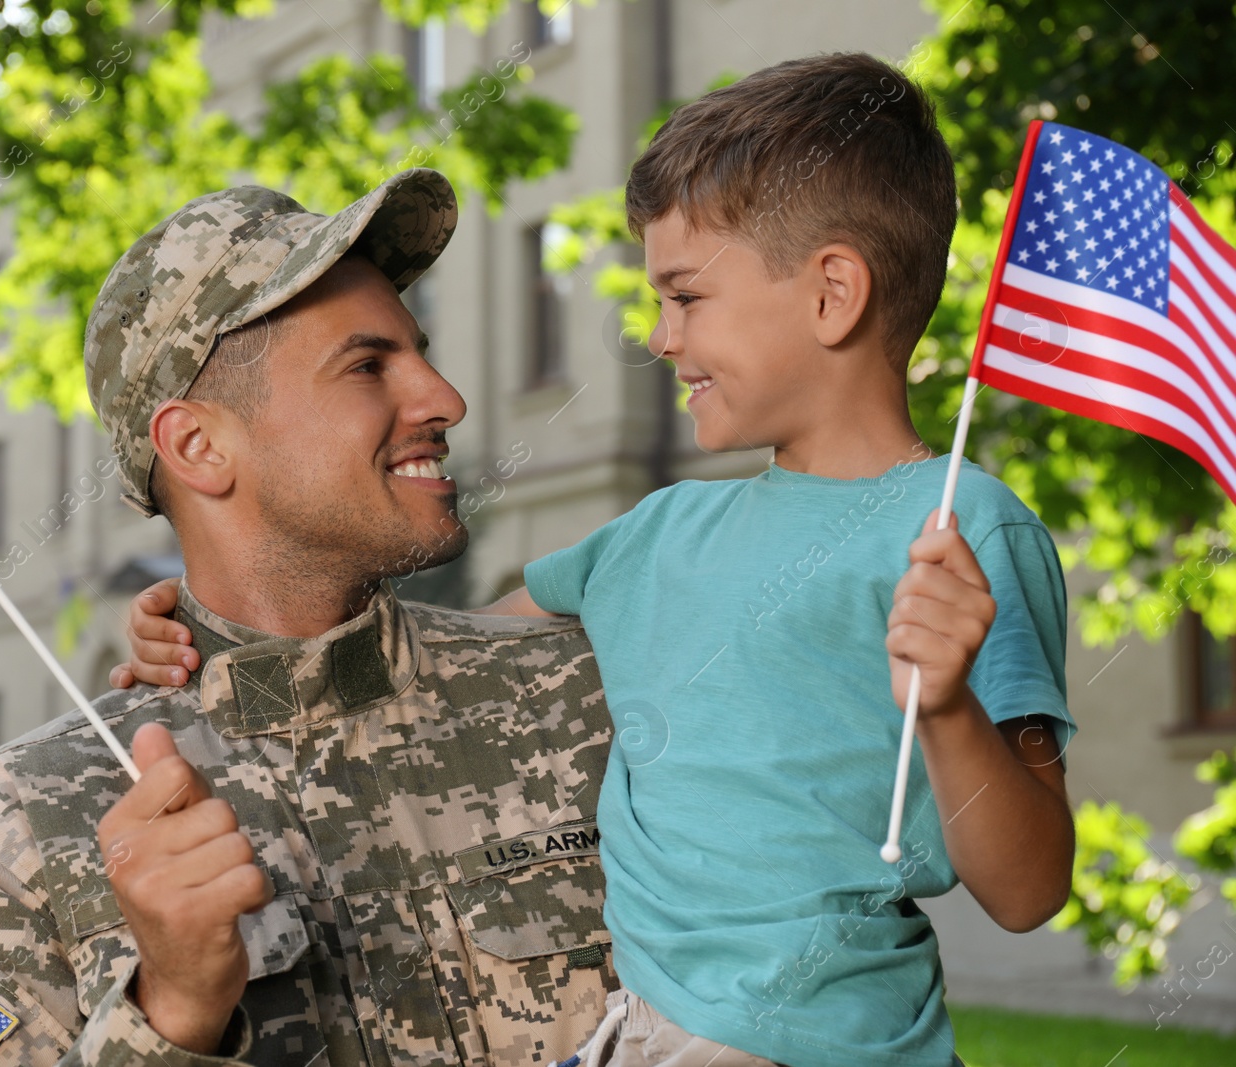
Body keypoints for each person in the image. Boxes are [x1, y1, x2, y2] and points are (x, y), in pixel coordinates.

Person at [117, 54, 1078, 1067]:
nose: (659, 337)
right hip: (637, 1036)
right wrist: (213, 628)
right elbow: (442, 650)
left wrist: (947, 708)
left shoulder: (958, 531)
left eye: (685, 295)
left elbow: (1028, 889)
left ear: (832, 292)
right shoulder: (653, 534)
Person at [0, 171, 622, 1067]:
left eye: (418, 351)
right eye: (367, 365)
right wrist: (171, 1010)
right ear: (198, 446)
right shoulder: (16, 825)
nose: (445, 399)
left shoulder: (591, 692)